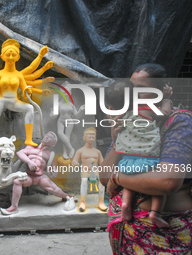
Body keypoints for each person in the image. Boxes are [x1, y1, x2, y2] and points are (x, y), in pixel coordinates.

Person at [100, 63, 192, 254]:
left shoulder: (178, 122)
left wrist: (118, 178)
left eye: (141, 90)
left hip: (165, 234)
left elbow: (167, 181)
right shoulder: (128, 120)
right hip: (128, 231)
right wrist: (117, 140)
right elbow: (103, 177)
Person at [106, 78, 173, 227]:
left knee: (130, 182)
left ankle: (125, 205)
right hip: (148, 156)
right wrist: (166, 99)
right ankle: (155, 212)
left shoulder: (118, 115)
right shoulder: (146, 110)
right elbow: (165, 113)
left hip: (127, 157)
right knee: (158, 187)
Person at [0, 131, 75, 215]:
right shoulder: (31, 147)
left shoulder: (50, 154)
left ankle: (67, 197)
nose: (47, 137)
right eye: (47, 135)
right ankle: (14, 207)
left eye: (50, 137)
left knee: (54, 189)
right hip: (29, 176)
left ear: (53, 144)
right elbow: (20, 153)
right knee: (17, 181)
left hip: (40, 177)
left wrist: (53, 173)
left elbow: (52, 169)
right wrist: (29, 162)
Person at [72, 127, 107, 212]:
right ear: (84, 138)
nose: (91, 138)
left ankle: (101, 202)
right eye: (89, 136)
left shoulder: (97, 151)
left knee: (102, 183)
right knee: (84, 181)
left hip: (95, 170)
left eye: (93, 136)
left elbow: (102, 163)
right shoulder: (80, 151)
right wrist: (75, 164)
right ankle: (83, 202)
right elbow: (74, 161)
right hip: (85, 170)